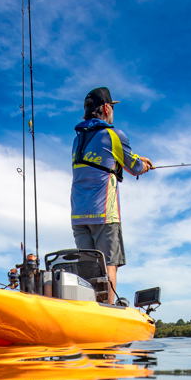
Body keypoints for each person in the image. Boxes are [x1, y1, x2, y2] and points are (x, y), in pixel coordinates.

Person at [71, 87, 152, 303]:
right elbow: (134, 167)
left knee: (88, 270)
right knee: (108, 265)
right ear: (107, 108)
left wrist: (135, 159)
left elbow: (103, 160)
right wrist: (143, 164)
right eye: (112, 108)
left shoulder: (77, 141)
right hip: (104, 215)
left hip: (79, 216)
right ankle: (106, 310)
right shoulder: (114, 135)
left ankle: (89, 308)